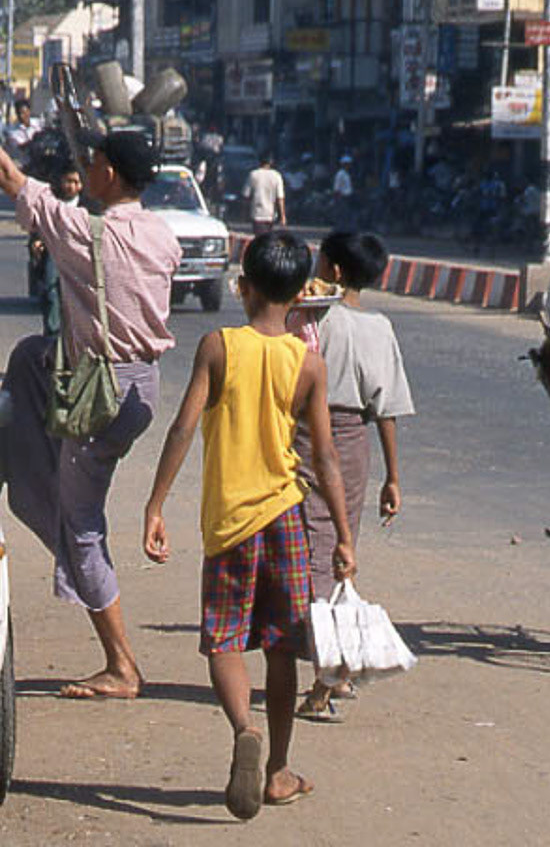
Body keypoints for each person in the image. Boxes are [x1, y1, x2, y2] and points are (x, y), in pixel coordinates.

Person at [0, 79, 179, 700]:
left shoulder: (84, 234)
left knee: (80, 524)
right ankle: (52, 513)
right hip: (142, 387)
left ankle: (121, 663)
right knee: (28, 357)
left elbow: (7, 175)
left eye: (94, 163)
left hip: (99, 391)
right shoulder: (163, 234)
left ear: (105, 171)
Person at [141, 231, 355, 819]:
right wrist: (343, 535)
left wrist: (155, 504)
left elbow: (183, 427)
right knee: (281, 648)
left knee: (226, 641)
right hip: (286, 514)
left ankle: (244, 729)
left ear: (244, 288)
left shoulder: (218, 346)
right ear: (301, 296)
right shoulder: (308, 363)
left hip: (230, 521)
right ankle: (279, 770)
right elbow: (325, 458)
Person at [289, 231, 413, 724]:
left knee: (316, 553)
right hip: (355, 443)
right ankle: (338, 668)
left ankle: (328, 674)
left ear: (335, 272)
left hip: (306, 437)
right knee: (341, 548)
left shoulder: (313, 317)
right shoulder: (379, 327)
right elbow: (387, 409)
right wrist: (393, 477)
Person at [31, 166, 83, 337]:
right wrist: (37, 242)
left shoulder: (88, 207)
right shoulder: (52, 204)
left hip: (80, 256)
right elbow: (37, 227)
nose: (71, 186)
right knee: (51, 290)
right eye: (68, 181)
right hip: (54, 252)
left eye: (75, 182)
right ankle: (52, 333)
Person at [243, 155, 288, 236]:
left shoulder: (253, 175)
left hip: (257, 213)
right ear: (271, 162)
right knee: (268, 238)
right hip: (271, 215)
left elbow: (246, 196)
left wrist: (244, 213)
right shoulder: (276, 176)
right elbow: (280, 198)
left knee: (260, 238)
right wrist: (283, 216)